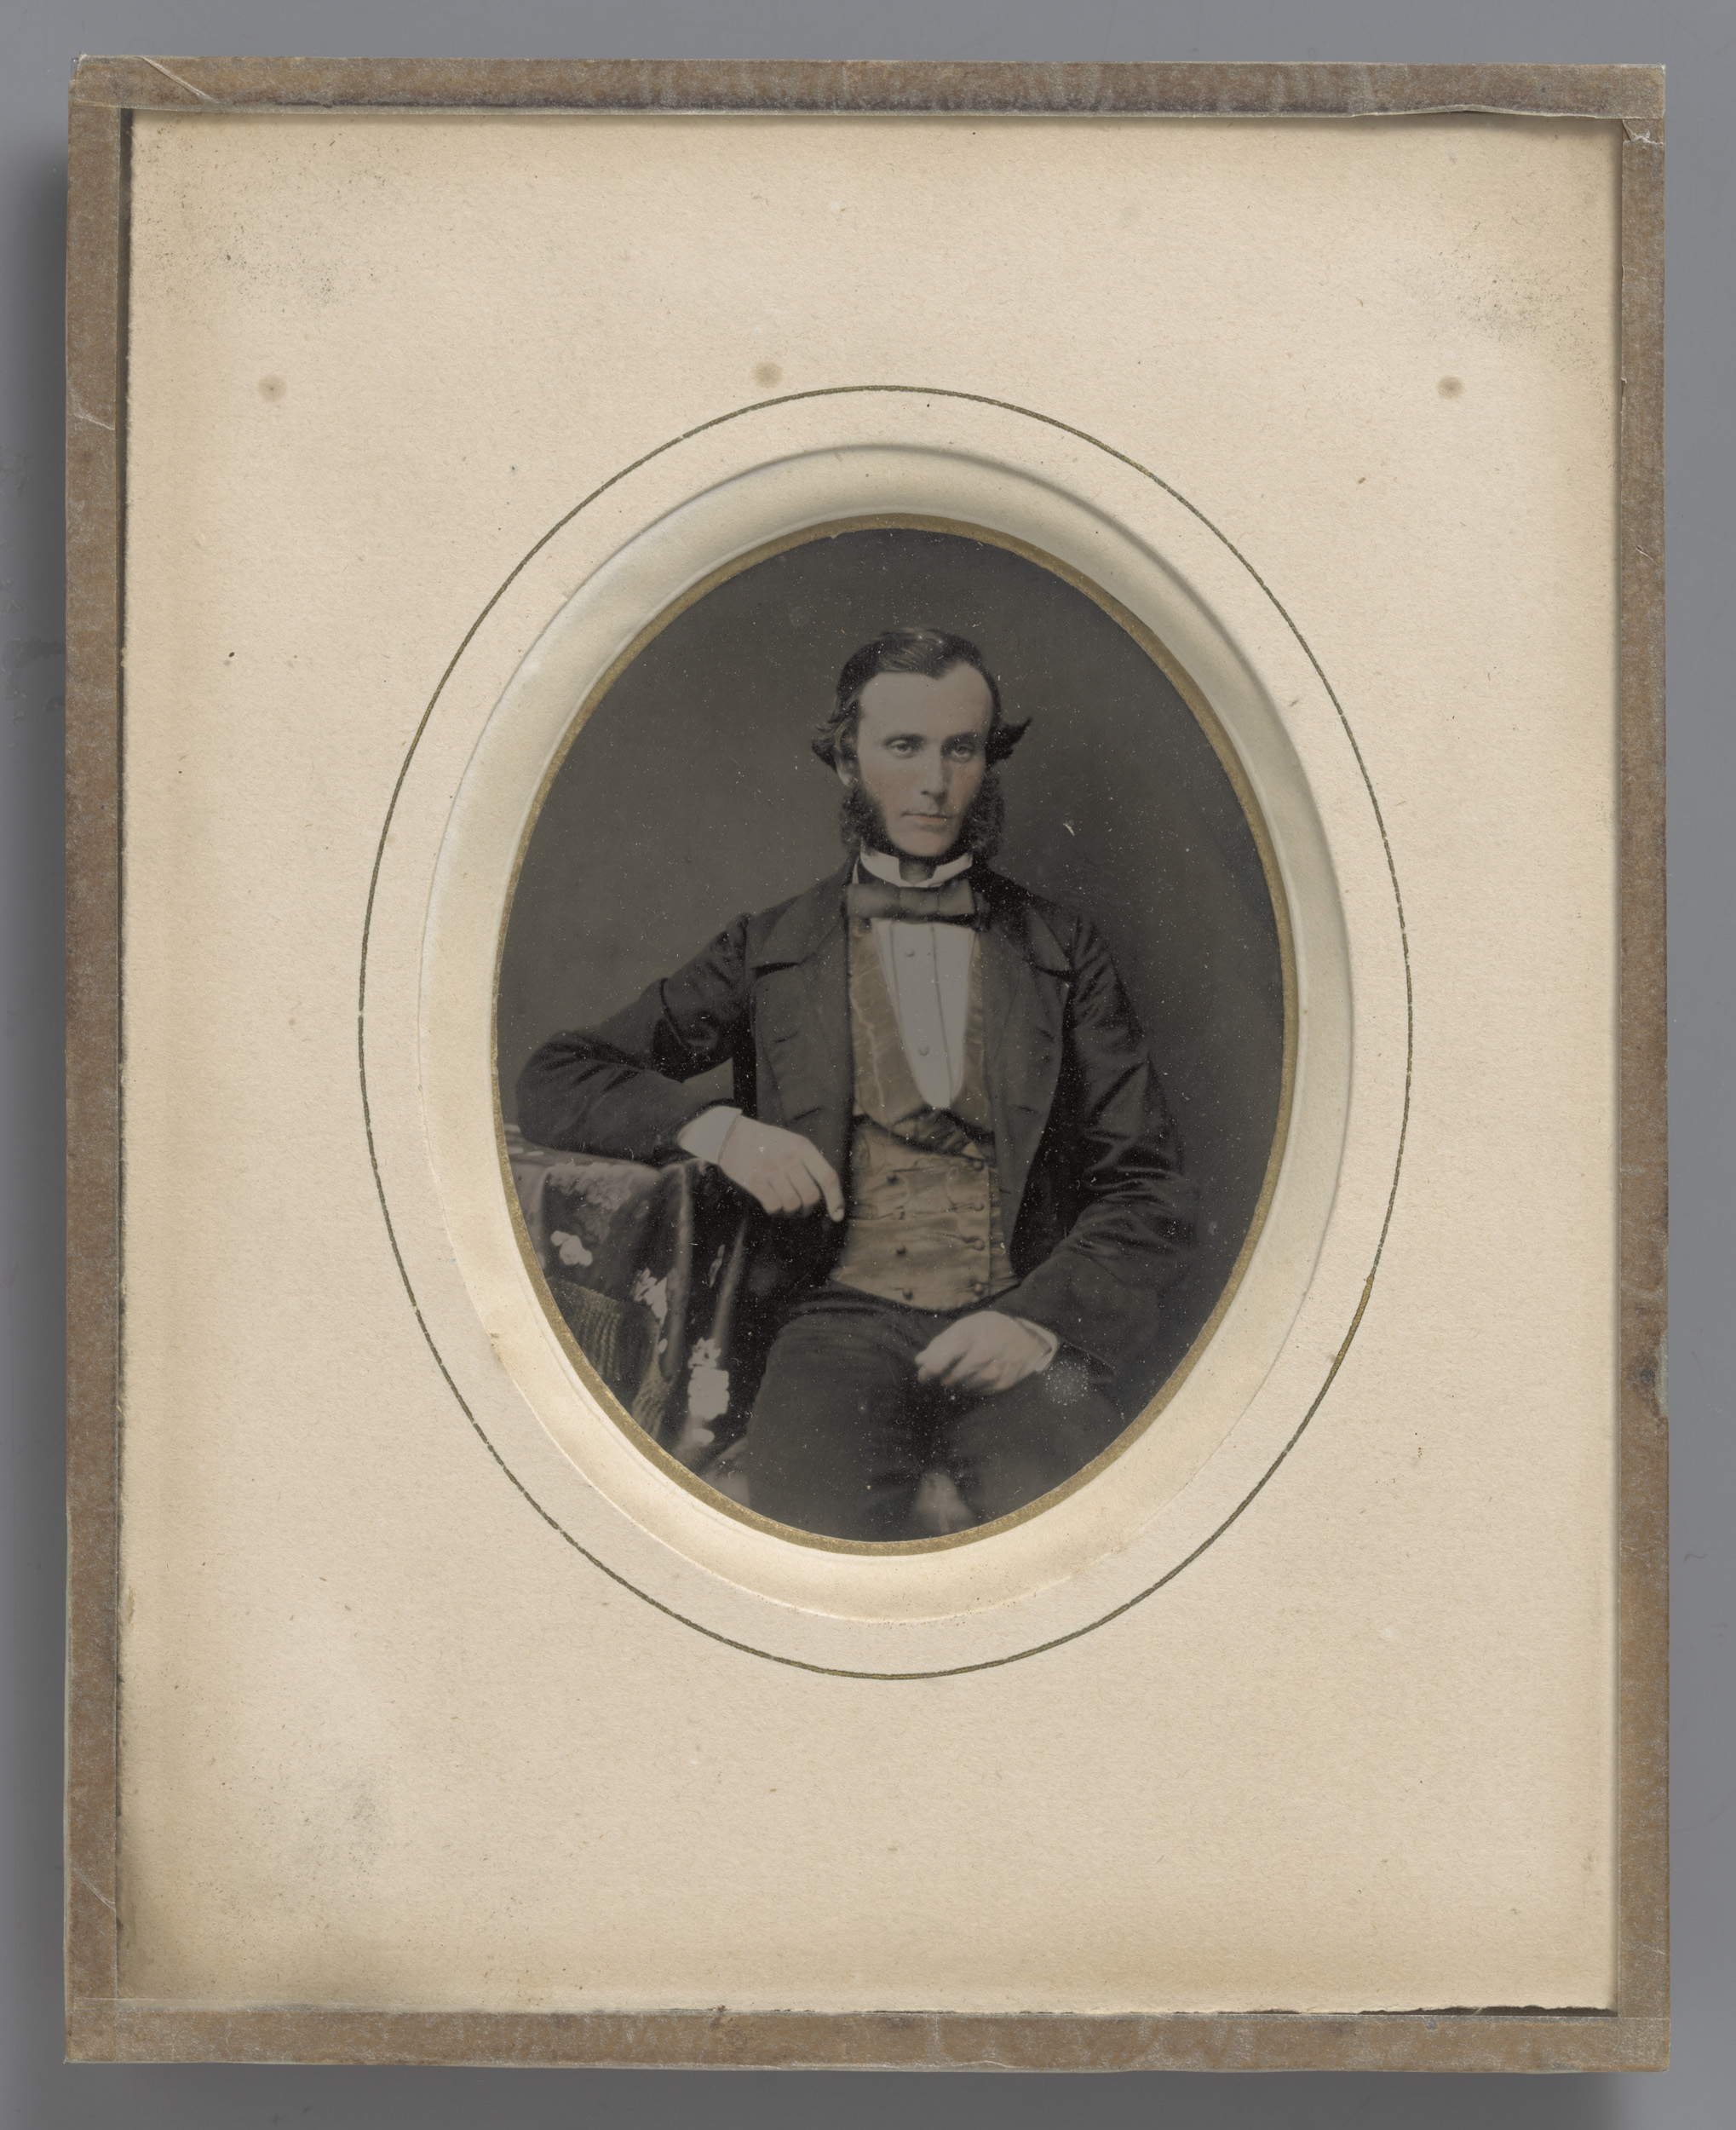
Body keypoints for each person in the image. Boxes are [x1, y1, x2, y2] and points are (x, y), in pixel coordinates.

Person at [517, 627, 1195, 1541]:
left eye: (961, 749)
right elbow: (558, 1075)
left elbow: (1147, 1185)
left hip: (1026, 1320)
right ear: (846, 760)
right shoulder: (769, 948)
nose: (934, 782)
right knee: (806, 1540)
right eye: (903, 746)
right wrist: (723, 1131)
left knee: (1089, 1527)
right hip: (831, 1328)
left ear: (988, 761)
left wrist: (1037, 1326)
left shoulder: (1063, 950)